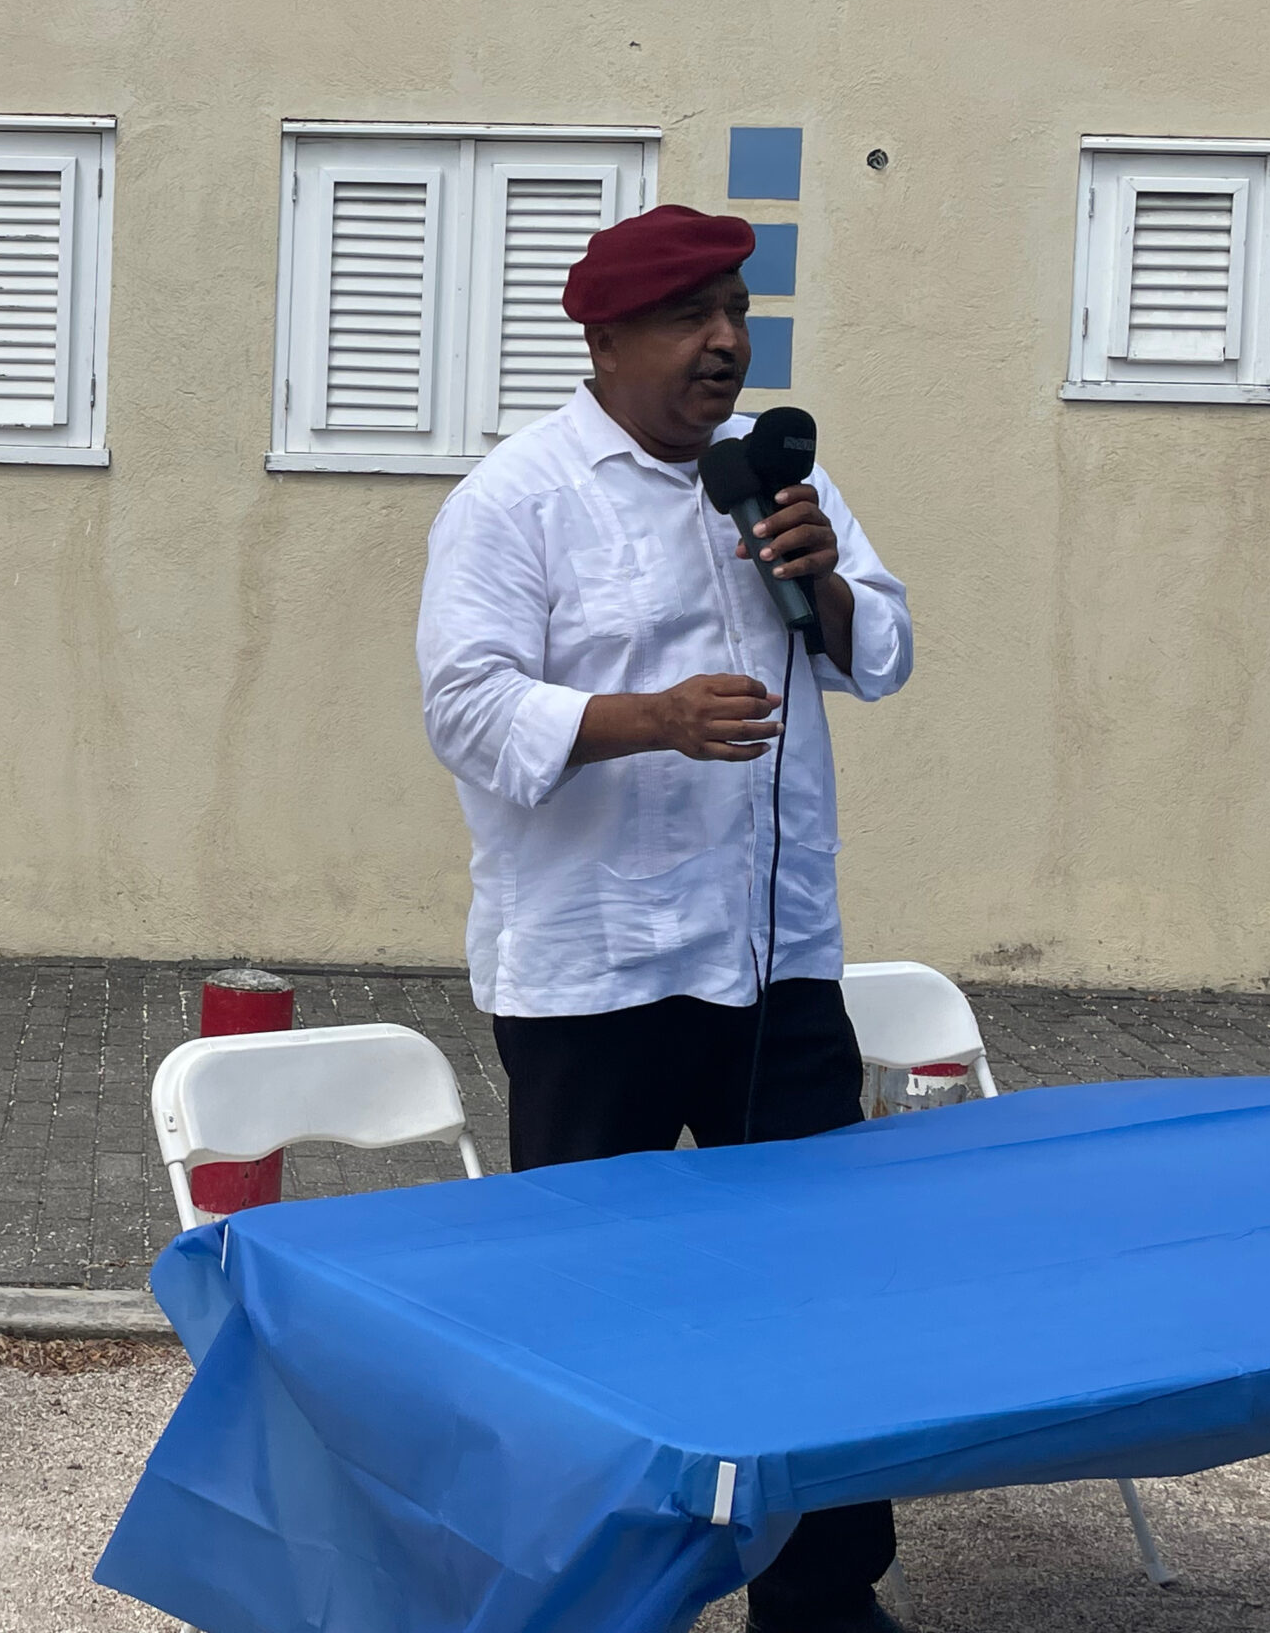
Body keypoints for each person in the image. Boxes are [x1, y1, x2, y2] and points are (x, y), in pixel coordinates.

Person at [415, 203, 915, 1633]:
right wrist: (650, 720)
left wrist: (821, 580)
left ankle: (823, 1600)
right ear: (606, 339)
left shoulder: (776, 477)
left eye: (737, 310)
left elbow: (884, 651)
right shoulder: (515, 499)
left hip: (776, 961)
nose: (725, 341)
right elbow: (465, 706)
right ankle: (588, 1595)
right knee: (593, 1306)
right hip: (595, 980)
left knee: (810, 1292)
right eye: (691, 315)